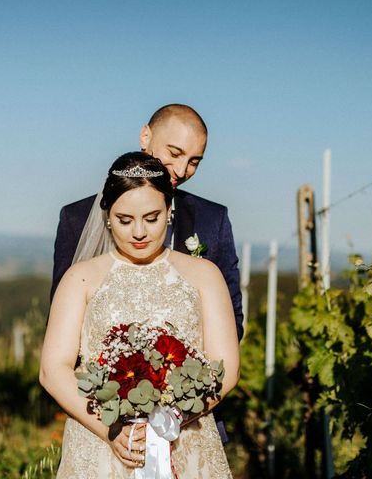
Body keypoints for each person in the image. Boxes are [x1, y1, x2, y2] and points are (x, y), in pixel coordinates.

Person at [40, 152, 240, 478]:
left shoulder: (205, 275)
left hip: (184, 441)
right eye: (124, 219)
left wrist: (172, 419)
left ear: (169, 211)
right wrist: (111, 430)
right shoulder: (80, 278)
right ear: (107, 216)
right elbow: (52, 369)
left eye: (151, 218)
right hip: (99, 443)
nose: (138, 232)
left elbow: (226, 368)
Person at [50, 104, 244, 342]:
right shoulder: (76, 218)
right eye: (174, 153)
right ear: (145, 136)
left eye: (195, 161)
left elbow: (233, 322)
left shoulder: (213, 220)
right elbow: (61, 320)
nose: (182, 170)